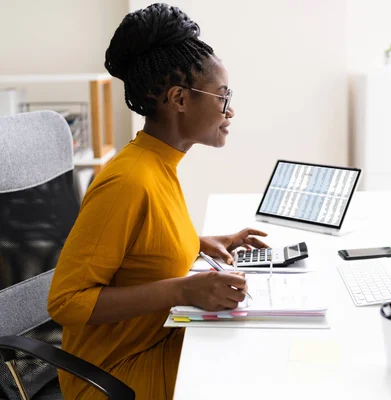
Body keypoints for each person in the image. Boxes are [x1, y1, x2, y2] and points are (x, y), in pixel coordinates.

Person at [47, 3, 267, 399]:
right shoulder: (128, 180)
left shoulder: (158, 163)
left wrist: (200, 242)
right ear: (179, 99)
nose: (230, 110)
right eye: (222, 96)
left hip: (156, 342)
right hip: (115, 375)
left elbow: (141, 248)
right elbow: (66, 302)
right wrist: (183, 290)